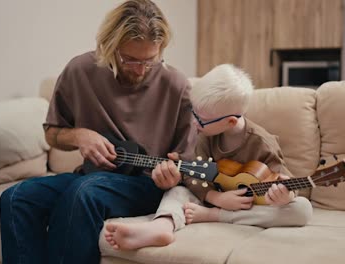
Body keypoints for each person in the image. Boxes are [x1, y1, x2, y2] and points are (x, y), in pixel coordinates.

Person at [0, 1, 197, 263]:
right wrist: (79, 135)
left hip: (146, 185)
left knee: (84, 192)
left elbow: (187, 164)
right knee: (15, 197)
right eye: (130, 60)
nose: (140, 70)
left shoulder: (177, 85)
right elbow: (52, 134)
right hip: (92, 177)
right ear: (109, 45)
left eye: (150, 61)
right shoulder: (79, 71)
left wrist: (171, 177)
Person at [104, 64, 313, 250]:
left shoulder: (262, 143)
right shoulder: (205, 135)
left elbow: (287, 182)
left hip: (250, 206)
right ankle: (161, 226)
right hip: (211, 199)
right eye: (193, 113)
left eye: (201, 120)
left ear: (230, 122)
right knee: (177, 191)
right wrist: (217, 198)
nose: (194, 123)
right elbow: (193, 176)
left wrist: (284, 195)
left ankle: (219, 217)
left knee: (301, 210)